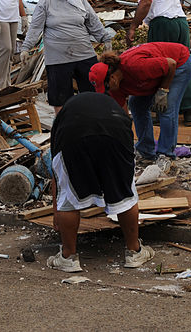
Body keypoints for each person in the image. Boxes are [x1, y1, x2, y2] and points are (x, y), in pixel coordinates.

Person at [47, 92, 154, 272]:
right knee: (124, 194)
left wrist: (56, 210)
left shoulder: (63, 119)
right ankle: (135, 252)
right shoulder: (112, 107)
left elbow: (58, 177)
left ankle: (68, 257)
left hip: (73, 134)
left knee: (69, 197)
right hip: (116, 132)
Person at [20, 0, 112, 113]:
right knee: (60, 98)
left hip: (84, 54)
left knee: (93, 94)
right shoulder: (45, 3)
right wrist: (26, 48)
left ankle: (93, 125)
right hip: (58, 59)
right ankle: (64, 128)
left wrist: (105, 38)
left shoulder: (80, 0)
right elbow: (35, 28)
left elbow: (93, 21)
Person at [89, 42, 191, 162]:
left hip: (179, 62)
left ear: (112, 78)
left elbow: (171, 64)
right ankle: (146, 150)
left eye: (106, 87)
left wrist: (163, 90)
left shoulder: (135, 66)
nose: (108, 91)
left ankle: (165, 154)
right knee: (136, 105)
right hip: (157, 72)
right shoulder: (115, 86)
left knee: (166, 108)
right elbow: (124, 118)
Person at [128, 0, 191, 125]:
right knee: (183, 63)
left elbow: (145, 3)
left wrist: (134, 26)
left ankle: (161, 110)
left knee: (159, 66)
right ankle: (189, 111)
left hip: (163, 24)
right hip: (181, 23)